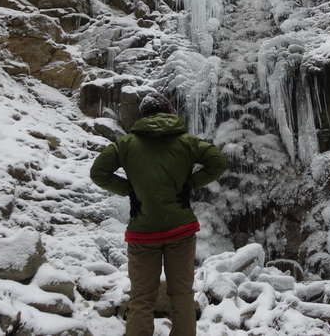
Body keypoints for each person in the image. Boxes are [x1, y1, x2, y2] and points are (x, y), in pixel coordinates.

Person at [90, 92, 228, 336]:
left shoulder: (126, 144)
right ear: (170, 112)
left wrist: (130, 190)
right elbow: (218, 161)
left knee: (141, 297)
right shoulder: (187, 141)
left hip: (142, 233)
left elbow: (98, 173)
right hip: (180, 231)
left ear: (143, 115)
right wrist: (190, 183)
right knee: (182, 295)